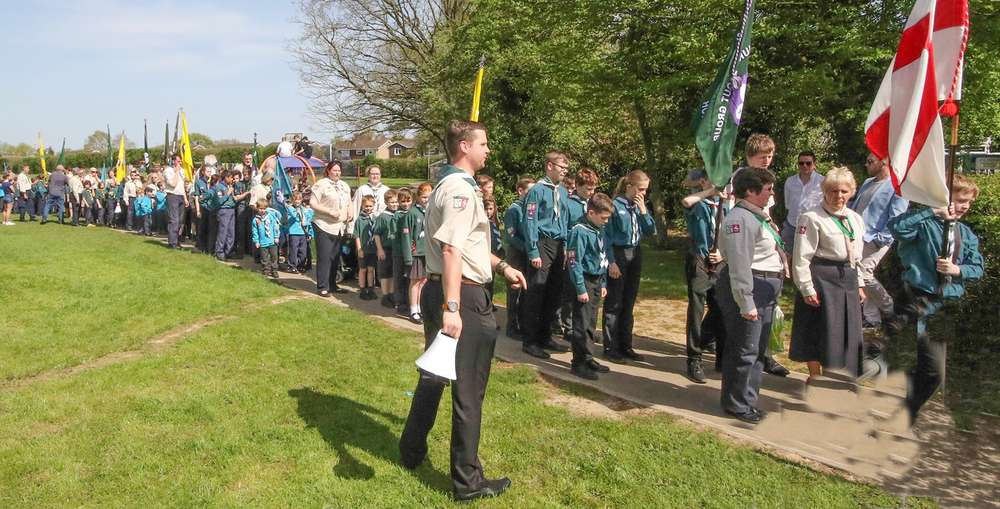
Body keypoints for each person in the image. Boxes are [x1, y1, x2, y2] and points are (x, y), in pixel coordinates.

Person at [399, 119, 526, 502]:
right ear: (465, 146)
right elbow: (453, 250)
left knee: (434, 375)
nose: (488, 150)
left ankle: (410, 450)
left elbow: (467, 244)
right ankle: (468, 482)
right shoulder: (459, 190)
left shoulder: (451, 185)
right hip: (462, 297)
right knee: (468, 392)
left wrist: (503, 267)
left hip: (448, 290)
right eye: (483, 143)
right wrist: (454, 307)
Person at [885, 175, 984, 424]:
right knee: (905, 363)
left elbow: (977, 268)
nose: (964, 207)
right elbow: (897, 228)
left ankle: (906, 411)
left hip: (942, 307)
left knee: (933, 372)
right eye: (960, 200)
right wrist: (932, 211)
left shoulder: (966, 234)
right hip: (915, 300)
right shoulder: (924, 223)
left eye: (968, 203)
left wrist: (958, 270)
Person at [716, 167, 785, 424]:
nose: (772, 194)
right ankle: (736, 404)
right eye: (768, 189)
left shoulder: (758, 217)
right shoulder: (739, 220)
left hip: (765, 287)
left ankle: (748, 400)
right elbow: (739, 263)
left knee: (757, 350)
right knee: (744, 348)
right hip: (750, 287)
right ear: (751, 191)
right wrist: (746, 300)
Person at [789, 167, 866, 383]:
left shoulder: (855, 219)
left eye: (843, 191)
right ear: (824, 191)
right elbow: (801, 256)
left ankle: (839, 376)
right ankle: (815, 377)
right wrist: (806, 287)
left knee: (845, 332)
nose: (838, 196)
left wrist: (859, 283)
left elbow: (857, 257)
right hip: (821, 278)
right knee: (817, 329)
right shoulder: (811, 217)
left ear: (851, 192)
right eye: (833, 191)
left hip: (847, 278)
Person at [520, 152, 572, 359]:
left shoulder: (563, 191)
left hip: (559, 244)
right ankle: (530, 340)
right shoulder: (537, 191)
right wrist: (533, 249)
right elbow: (530, 221)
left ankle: (545, 335)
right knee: (536, 292)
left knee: (553, 293)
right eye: (561, 167)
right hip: (542, 242)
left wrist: (567, 245)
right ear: (549, 166)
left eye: (566, 168)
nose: (564, 171)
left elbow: (566, 218)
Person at [601, 170, 656, 362]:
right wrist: (611, 262)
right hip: (619, 253)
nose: (643, 193)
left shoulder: (639, 207)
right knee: (615, 301)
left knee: (629, 301)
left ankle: (626, 344)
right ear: (629, 187)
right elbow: (606, 236)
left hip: (635, 252)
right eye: (641, 189)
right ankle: (611, 346)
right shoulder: (616, 205)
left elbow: (651, 230)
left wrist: (643, 211)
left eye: (646, 190)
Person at [849, 153, 909, 329]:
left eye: (870, 161)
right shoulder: (868, 182)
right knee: (860, 274)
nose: (866, 164)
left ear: (884, 163)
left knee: (863, 274)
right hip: (857, 237)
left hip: (876, 239)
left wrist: (879, 239)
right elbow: (855, 208)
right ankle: (872, 318)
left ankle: (890, 308)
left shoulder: (896, 187)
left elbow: (896, 218)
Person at [681, 169, 727, 383]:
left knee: (721, 309)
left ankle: (722, 358)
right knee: (697, 309)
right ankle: (694, 359)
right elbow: (687, 201)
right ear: (702, 182)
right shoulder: (699, 204)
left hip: (719, 261)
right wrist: (709, 191)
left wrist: (723, 254)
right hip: (699, 258)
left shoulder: (726, 206)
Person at [566, 193, 614, 380]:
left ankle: (588, 357)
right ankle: (578, 363)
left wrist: (603, 282)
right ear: (591, 213)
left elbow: (601, 257)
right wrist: (580, 288)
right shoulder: (579, 231)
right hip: (583, 280)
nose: (606, 221)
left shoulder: (597, 229)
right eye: (604, 218)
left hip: (596, 279)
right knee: (581, 323)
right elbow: (573, 261)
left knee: (591, 322)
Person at [310, 160, 353, 296]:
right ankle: (322, 286)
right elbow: (312, 203)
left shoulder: (344, 185)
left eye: (339, 170)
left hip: (339, 227)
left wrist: (350, 211)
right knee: (324, 256)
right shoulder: (321, 185)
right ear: (328, 171)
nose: (337, 173)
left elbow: (349, 201)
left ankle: (333, 284)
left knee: (335, 257)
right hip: (323, 225)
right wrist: (328, 211)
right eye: (334, 170)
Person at [502, 177, 535, 339]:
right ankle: (512, 326)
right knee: (514, 291)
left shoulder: (530, 209)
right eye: (529, 191)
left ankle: (523, 324)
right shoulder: (514, 210)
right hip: (516, 254)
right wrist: (527, 248)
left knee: (525, 292)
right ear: (520, 191)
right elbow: (511, 236)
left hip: (528, 255)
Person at [781, 151, 825, 254]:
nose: (804, 166)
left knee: (810, 257)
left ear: (814, 164)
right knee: (787, 255)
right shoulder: (790, 181)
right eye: (801, 163)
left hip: (812, 228)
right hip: (791, 226)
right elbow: (788, 204)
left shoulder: (823, 182)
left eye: (808, 163)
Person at [400, 183, 432, 322]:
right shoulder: (412, 213)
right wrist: (408, 257)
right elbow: (406, 236)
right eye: (424, 197)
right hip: (416, 254)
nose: (426, 200)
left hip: (426, 252)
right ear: (418, 197)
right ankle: (413, 310)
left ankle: (420, 307)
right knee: (415, 282)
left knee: (423, 281)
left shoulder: (429, 211)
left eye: (429, 197)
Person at [374, 189, 399, 307]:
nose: (394, 204)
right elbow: (377, 234)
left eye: (396, 202)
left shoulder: (399, 214)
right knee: (385, 273)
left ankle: (392, 294)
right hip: (385, 248)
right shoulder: (383, 217)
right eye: (392, 202)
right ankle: (385, 296)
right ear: (386, 202)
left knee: (394, 273)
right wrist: (380, 249)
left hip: (396, 249)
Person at [392, 188, 413, 314]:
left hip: (412, 252)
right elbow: (394, 233)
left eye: (408, 201)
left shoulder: (413, 213)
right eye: (403, 201)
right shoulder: (397, 216)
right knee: (399, 277)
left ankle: (411, 302)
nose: (405, 204)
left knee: (410, 278)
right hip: (399, 252)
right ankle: (399, 302)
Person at [354, 195, 379, 300]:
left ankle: (371, 289)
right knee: (363, 269)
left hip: (373, 249)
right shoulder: (359, 220)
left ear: (374, 206)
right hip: (363, 250)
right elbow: (357, 236)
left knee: (371, 269)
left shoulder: (375, 219)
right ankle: (362, 289)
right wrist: (359, 249)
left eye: (370, 206)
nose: (368, 208)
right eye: (366, 206)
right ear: (362, 206)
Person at [251, 198, 282, 279]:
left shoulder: (271, 217)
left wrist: (276, 237)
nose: (262, 210)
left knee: (274, 257)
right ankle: (266, 270)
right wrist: (256, 241)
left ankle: (274, 270)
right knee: (264, 258)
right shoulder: (255, 220)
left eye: (264, 208)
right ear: (257, 208)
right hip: (263, 242)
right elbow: (255, 231)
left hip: (272, 241)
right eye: (260, 208)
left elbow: (275, 227)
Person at [350, 165, 389, 230]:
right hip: (365, 225)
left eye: (377, 174)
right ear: (368, 175)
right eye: (372, 174)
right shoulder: (362, 189)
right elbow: (355, 209)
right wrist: (352, 228)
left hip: (382, 225)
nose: (375, 176)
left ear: (380, 175)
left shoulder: (386, 190)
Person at [284, 191, 314, 273]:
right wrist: (286, 205)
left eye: (299, 199)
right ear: (292, 200)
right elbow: (294, 216)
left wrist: (310, 233)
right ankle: (292, 266)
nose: (297, 201)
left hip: (303, 233)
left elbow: (309, 219)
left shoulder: (303, 209)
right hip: (293, 232)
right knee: (294, 250)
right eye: (295, 199)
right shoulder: (290, 209)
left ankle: (300, 265)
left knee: (303, 251)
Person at [163, 155, 188, 249]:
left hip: (181, 195)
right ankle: (172, 242)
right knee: (174, 220)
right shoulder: (168, 171)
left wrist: (185, 198)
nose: (180, 163)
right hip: (172, 196)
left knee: (181, 221)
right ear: (173, 161)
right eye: (178, 161)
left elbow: (182, 186)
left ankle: (177, 240)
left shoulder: (182, 171)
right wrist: (176, 171)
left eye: (181, 161)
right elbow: (173, 184)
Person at [213, 169, 239, 260]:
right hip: (224, 210)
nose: (232, 179)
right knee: (223, 232)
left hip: (232, 210)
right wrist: (228, 193)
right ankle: (219, 252)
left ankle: (228, 251)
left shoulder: (230, 186)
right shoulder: (219, 187)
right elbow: (220, 201)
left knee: (231, 233)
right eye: (231, 177)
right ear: (226, 177)